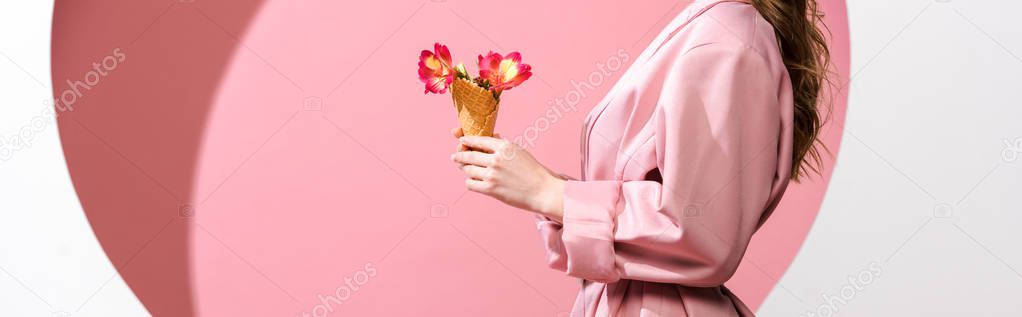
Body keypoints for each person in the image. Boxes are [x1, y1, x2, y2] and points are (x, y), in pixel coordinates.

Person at [450, 0, 830, 315]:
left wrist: (550, 192)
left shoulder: (727, 39)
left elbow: (705, 230)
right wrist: (537, 184)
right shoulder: (711, 25)